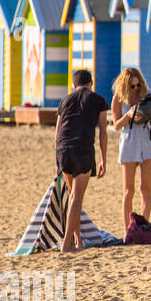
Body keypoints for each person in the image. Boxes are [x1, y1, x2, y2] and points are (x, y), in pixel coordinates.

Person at [53, 70, 109, 253]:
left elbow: (57, 133)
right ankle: (67, 244)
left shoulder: (65, 100)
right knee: (77, 198)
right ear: (91, 83)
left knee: (72, 197)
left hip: (63, 149)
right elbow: (103, 133)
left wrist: (56, 162)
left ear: (74, 84)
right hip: (83, 149)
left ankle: (78, 241)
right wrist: (103, 160)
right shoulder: (98, 100)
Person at [110, 68, 151, 229]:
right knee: (129, 190)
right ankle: (129, 229)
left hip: (147, 140)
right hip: (129, 142)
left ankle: (144, 225)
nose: (135, 89)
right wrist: (128, 116)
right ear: (125, 85)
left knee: (145, 189)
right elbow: (116, 125)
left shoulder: (146, 94)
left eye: (137, 85)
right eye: (132, 86)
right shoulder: (118, 98)